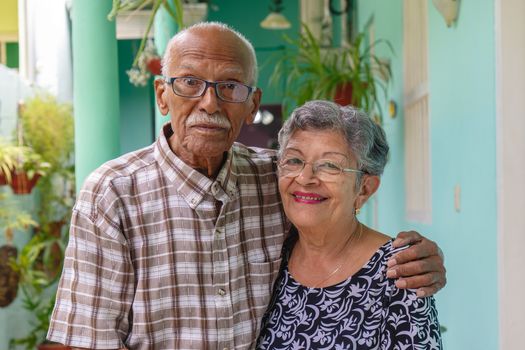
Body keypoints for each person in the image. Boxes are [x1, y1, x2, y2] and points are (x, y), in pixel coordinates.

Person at [47, 22, 445, 350]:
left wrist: (422, 257)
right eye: (189, 82)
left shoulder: (275, 179)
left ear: (253, 105)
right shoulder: (114, 193)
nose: (209, 103)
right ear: (162, 94)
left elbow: (334, 215)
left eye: (230, 87)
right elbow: (84, 340)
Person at [256, 100, 442, 349]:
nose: (305, 178)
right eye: (294, 161)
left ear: (364, 189)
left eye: (330, 166)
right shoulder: (273, 256)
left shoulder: (400, 272)